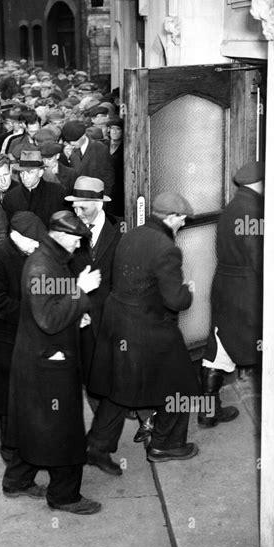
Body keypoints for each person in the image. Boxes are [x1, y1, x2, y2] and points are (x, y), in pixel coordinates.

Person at [87, 192, 201, 472]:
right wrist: (188, 291)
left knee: (119, 388)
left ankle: (95, 446)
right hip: (148, 329)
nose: (183, 224)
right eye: (182, 219)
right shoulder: (166, 248)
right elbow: (175, 300)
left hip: (118, 324)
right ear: (170, 217)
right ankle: (166, 445)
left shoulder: (132, 234)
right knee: (180, 385)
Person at [2, 211, 102, 515]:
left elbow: (51, 308)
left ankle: (17, 480)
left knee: (32, 423)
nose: (77, 245)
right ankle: (65, 495)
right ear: (59, 235)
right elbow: (48, 319)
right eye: (74, 239)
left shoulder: (49, 259)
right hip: (50, 361)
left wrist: (76, 313)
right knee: (65, 431)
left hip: (37, 359)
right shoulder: (43, 267)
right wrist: (81, 291)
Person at [200, 161, 265, 426]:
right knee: (264, 347)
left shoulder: (232, 207)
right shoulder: (254, 211)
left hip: (224, 286)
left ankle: (208, 410)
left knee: (218, 350)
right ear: (261, 183)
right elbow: (257, 257)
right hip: (247, 291)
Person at [0, 212, 47, 463]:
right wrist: (35, 313)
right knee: (10, 401)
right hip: (9, 342)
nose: (37, 244)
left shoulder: (35, 254)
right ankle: (11, 451)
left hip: (34, 340)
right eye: (32, 240)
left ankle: (30, 444)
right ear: (15, 236)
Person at [67, 177, 124, 392]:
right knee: (91, 378)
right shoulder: (68, 231)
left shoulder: (121, 229)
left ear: (99, 204)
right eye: (75, 207)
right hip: (83, 319)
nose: (77, 212)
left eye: (83, 207)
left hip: (113, 317)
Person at [3, 150, 66, 227]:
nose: (25, 177)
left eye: (30, 172)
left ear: (40, 172)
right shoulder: (11, 197)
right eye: (22, 172)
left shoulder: (58, 192)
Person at [62, 120, 114, 197]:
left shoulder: (100, 148)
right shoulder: (69, 150)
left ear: (84, 136)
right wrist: (68, 158)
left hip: (95, 197)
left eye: (75, 141)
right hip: (76, 197)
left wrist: (103, 198)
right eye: (69, 141)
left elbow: (108, 176)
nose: (72, 144)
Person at [105, 117, 124, 217]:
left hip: (119, 187)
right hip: (105, 186)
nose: (115, 132)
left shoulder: (126, 147)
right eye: (112, 129)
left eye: (118, 129)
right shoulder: (104, 145)